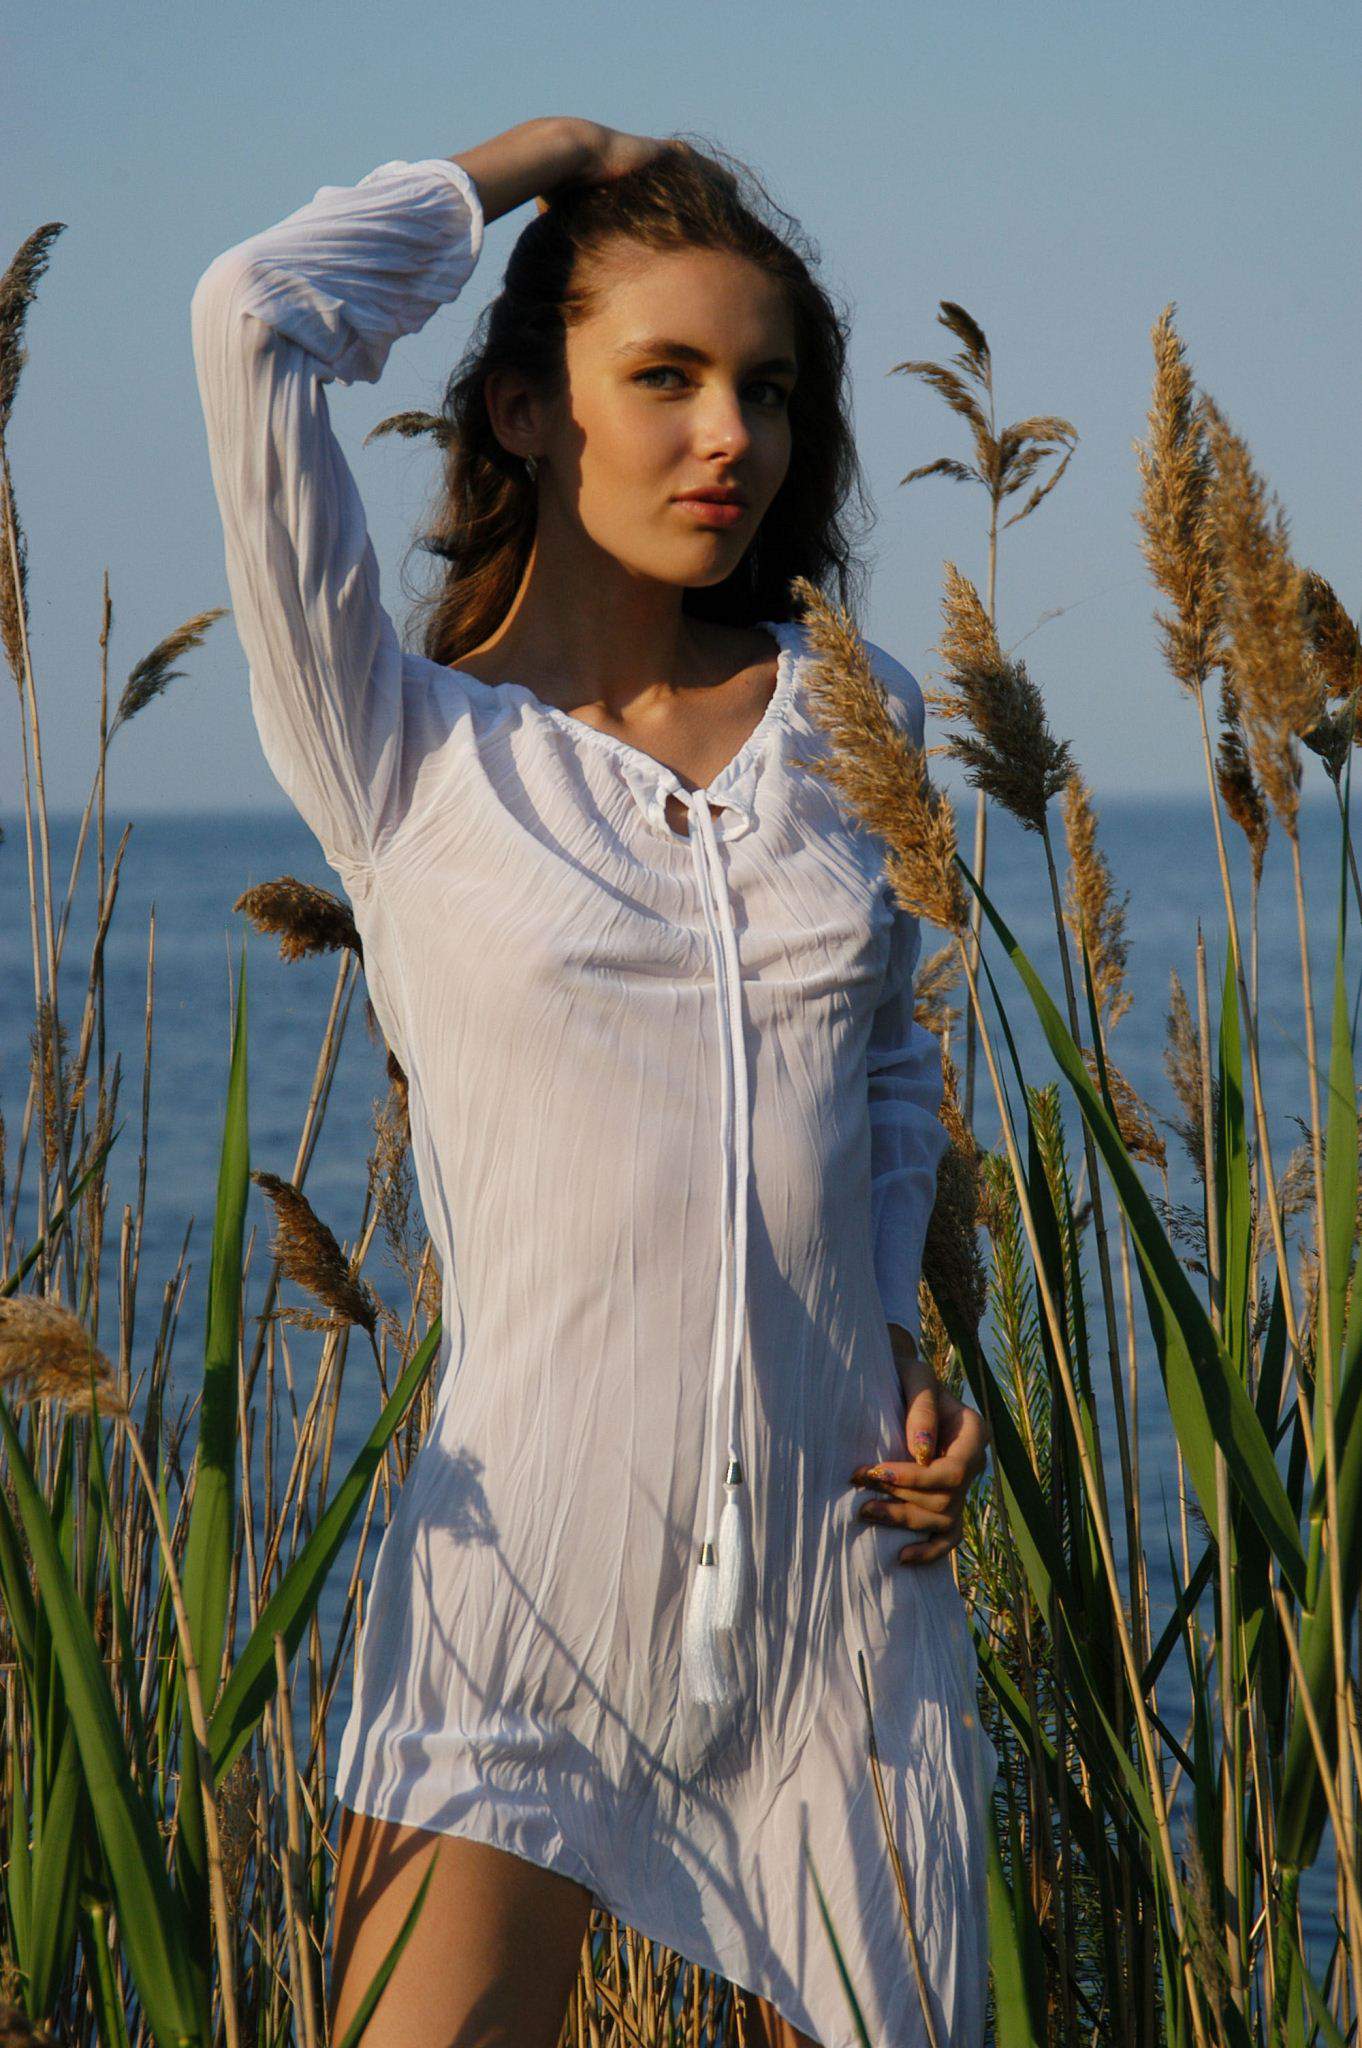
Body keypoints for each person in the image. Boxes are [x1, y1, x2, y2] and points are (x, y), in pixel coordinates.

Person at [190, 114, 998, 2048]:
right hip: (523, 1600)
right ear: (525, 411)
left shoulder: (851, 715)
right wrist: (537, 161)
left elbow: (882, 1058)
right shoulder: (402, 745)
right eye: (665, 376)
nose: (733, 436)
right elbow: (252, 315)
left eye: (768, 390)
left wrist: (898, 1348)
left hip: (842, 1599)